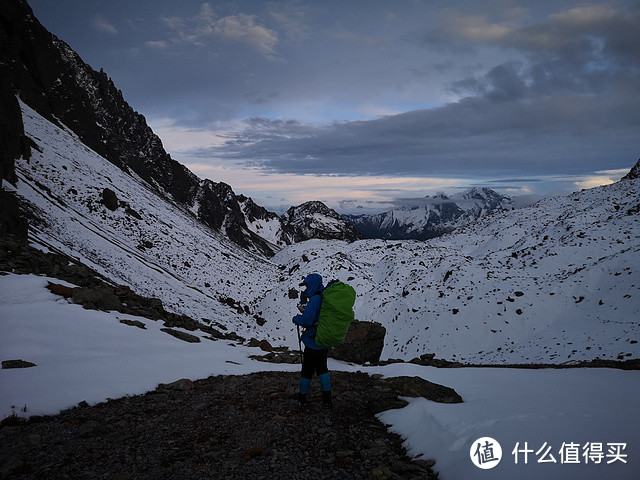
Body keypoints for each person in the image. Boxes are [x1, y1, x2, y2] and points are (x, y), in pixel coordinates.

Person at [293, 273, 332, 408]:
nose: (306, 287)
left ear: (313, 284)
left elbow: (307, 320)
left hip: (313, 342)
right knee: (322, 369)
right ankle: (327, 399)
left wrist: (296, 319)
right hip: (324, 339)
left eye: (307, 284)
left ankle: (301, 399)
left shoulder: (315, 299)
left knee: (307, 370)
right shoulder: (324, 296)